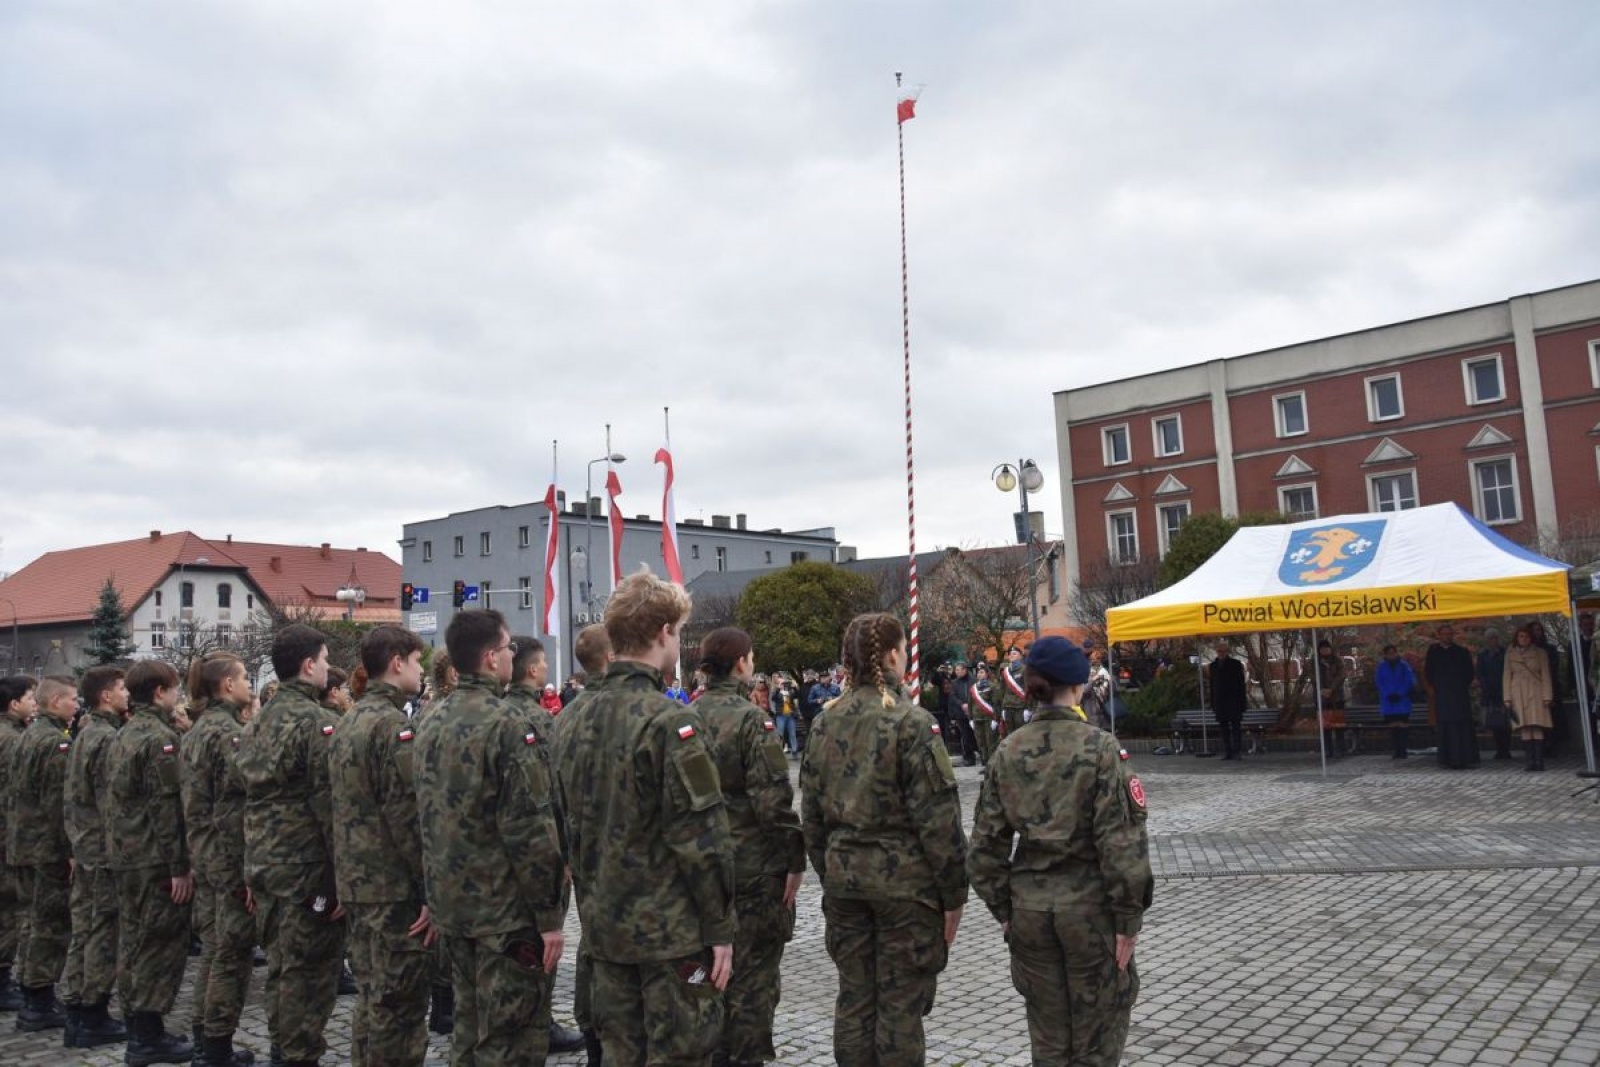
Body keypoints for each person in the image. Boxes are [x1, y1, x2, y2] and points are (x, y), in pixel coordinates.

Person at [554, 568, 736, 1066]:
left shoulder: (569, 719)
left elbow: (558, 823)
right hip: (669, 937)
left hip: (604, 930)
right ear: (663, 633)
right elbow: (702, 838)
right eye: (678, 632)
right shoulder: (670, 720)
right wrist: (720, 928)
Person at [967, 636, 1153, 1066]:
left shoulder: (1006, 751)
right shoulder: (1100, 748)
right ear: (1078, 685)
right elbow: (1121, 845)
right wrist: (1128, 919)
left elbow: (983, 852)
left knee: (1048, 1043)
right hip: (1090, 915)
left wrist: (1006, 909)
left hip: (1031, 915)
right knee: (1096, 1042)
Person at [800, 612, 968, 1066]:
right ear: (894, 655)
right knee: (899, 1009)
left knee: (854, 999)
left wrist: (834, 866)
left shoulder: (823, 723)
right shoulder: (912, 723)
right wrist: (954, 894)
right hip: (905, 892)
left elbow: (811, 819)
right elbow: (939, 824)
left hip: (844, 886)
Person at [415, 609, 567, 1066]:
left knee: (469, 1024)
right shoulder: (506, 725)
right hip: (504, 911)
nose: (510, 656)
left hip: (454, 905)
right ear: (489, 657)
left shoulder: (431, 721)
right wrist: (550, 915)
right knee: (512, 1034)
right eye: (507, 649)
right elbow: (529, 828)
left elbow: (424, 816)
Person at [692, 628, 806, 1067]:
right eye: (752, 657)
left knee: (709, 975)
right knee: (753, 980)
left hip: (701, 868)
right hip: (752, 872)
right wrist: (794, 861)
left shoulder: (686, 717)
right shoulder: (750, 721)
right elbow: (773, 803)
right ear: (741, 662)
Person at [236, 624, 347, 1067]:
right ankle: (298, 1056)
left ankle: (285, 1050)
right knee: (310, 973)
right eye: (323, 660)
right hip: (307, 866)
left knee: (283, 966)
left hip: (265, 861)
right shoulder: (318, 724)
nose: (326, 668)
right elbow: (329, 807)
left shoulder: (258, 719)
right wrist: (340, 877)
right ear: (307, 666)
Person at [328, 626, 433, 1067]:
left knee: (372, 999)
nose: (421, 668)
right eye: (416, 660)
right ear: (396, 663)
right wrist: (429, 888)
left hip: (358, 882)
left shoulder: (350, 718)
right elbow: (406, 816)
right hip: (392, 889)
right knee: (400, 1006)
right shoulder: (392, 726)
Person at [498, 636, 586, 1058]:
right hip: (536, 855)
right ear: (532, 670)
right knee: (535, 952)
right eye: (544, 665)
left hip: (485, 868)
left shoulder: (492, 714)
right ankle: (539, 1022)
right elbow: (555, 796)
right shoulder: (537, 722)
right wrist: (564, 856)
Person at [105, 660, 196, 1065]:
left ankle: (140, 1028)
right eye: (174, 688)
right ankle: (147, 1035)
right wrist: (179, 866)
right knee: (159, 945)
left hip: (127, 855)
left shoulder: (122, 733)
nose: (179, 696)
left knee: (134, 941)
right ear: (160, 691)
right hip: (153, 860)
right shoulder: (159, 738)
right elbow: (164, 808)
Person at [179, 653, 258, 1067]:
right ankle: (216, 1045)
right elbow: (235, 806)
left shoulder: (195, 730)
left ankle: (202, 1036)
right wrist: (248, 870)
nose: (249, 684)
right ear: (227, 684)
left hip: (204, 853)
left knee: (213, 948)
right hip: (227, 857)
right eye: (244, 677)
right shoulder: (228, 733)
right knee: (232, 952)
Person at [549, 622, 613, 1067]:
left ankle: (592, 1039)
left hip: (583, 857)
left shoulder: (565, 716)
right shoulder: (619, 710)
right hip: (619, 862)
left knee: (591, 947)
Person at [63, 666, 131, 1048]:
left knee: (86, 928)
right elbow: (111, 804)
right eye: (121, 688)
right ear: (106, 695)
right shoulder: (105, 738)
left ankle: (77, 1008)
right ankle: (92, 1013)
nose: (126, 694)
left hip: (86, 845)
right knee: (103, 932)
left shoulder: (87, 732)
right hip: (103, 850)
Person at [8, 675, 77, 1033]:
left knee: (33, 921)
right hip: (45, 848)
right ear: (56, 703)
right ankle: (39, 1000)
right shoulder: (53, 741)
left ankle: (35, 992)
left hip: (24, 843)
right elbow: (56, 802)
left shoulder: (28, 735)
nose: (77, 705)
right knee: (49, 924)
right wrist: (69, 849)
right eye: (72, 700)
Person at [0, 674, 38, 1014]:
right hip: (7, 836)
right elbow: (17, 794)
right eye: (30, 697)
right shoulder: (12, 740)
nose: (34, 703)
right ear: (14, 704)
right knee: (9, 910)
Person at [1425, 623, 1480, 770]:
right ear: (1439, 635)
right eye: (1444, 634)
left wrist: (1459, 685)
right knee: (1445, 727)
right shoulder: (1434, 652)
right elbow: (1428, 672)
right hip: (1442, 695)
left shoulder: (1461, 652)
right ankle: (1447, 758)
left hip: (1459, 694)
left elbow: (1469, 673)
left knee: (1461, 726)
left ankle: (1464, 758)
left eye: (1449, 634)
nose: (1447, 637)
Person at [1504, 626, 1555, 773]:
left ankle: (1539, 761)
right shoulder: (1510, 653)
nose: (1523, 639)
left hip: (1536, 691)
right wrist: (1507, 697)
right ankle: (1529, 761)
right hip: (1517, 692)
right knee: (1524, 727)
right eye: (1521, 636)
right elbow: (1506, 675)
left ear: (1531, 638)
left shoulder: (1540, 653)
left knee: (1537, 725)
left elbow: (1546, 675)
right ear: (1516, 638)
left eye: (1526, 636)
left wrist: (1547, 696)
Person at [1527, 620, 1564, 754]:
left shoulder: (1550, 649)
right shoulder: (1524, 651)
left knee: (1551, 718)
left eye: (1538, 630)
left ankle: (1551, 744)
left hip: (1549, 686)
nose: (1536, 633)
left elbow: (1553, 669)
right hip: (1531, 690)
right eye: (1534, 630)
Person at [1375, 645, 1417, 760]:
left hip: (1402, 700)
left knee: (1403, 725)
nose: (1392, 655)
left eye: (1393, 652)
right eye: (1389, 653)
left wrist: (1400, 693)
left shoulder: (1404, 666)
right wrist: (1388, 694)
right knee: (1392, 725)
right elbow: (1379, 683)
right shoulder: (1381, 667)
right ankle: (1396, 750)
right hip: (1388, 701)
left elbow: (1410, 681)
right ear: (1385, 654)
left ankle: (1403, 750)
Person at [1476, 629, 1512, 760]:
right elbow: (1479, 673)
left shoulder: (1505, 653)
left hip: (1504, 690)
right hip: (1490, 693)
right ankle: (1499, 749)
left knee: (1506, 723)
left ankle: (1506, 749)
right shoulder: (1482, 655)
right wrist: (1485, 686)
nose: (1493, 641)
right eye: (1490, 638)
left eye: (1495, 638)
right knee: (1495, 723)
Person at [1208, 643, 1248, 761]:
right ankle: (1227, 751)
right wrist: (1213, 702)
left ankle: (1237, 751)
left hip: (1234, 701)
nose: (1221, 653)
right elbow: (1212, 686)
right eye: (1219, 651)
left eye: (1223, 651)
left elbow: (1241, 684)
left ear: (1227, 652)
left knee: (1236, 728)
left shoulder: (1235, 664)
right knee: (1223, 729)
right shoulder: (1213, 666)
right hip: (1220, 703)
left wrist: (1242, 702)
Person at [1314, 641, 1347, 758]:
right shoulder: (1315, 662)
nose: (1324, 650)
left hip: (1337, 697)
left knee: (1338, 725)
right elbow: (1312, 676)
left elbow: (1341, 675)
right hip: (1321, 697)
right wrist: (1321, 689)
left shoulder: (1338, 661)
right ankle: (1328, 750)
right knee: (1324, 726)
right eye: (1322, 648)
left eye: (1327, 648)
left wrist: (1331, 689)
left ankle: (1341, 749)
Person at [947, 664, 979, 767]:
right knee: (965, 736)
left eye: (958, 670)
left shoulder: (973, 681)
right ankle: (968, 757)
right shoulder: (954, 683)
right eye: (956, 670)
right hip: (960, 713)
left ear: (964, 670)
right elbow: (952, 697)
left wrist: (969, 705)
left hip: (974, 712)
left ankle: (983, 755)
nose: (956, 672)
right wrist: (961, 705)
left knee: (977, 734)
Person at [970, 663, 1001, 765]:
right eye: (978, 673)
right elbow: (970, 703)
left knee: (990, 742)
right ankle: (985, 763)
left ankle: (992, 764)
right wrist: (970, 719)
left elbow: (996, 703)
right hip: (977, 718)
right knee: (981, 742)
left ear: (987, 674)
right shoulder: (973, 688)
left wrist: (996, 719)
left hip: (989, 718)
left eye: (982, 672)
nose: (979, 674)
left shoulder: (993, 686)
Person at [998, 646, 1028, 735]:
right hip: (1008, 707)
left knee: (1022, 734)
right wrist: (1003, 708)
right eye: (1010, 654)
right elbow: (1002, 690)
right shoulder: (1005, 671)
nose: (1011, 655)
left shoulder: (1025, 669)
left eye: (1014, 653)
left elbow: (1028, 689)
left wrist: (1028, 709)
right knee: (1010, 734)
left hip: (1020, 707)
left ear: (1020, 656)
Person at [770, 674, 800, 757]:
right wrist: (778, 688)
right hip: (781, 715)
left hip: (790, 715)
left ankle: (794, 751)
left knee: (792, 733)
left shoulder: (790, 691)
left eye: (784, 683)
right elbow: (773, 698)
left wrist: (794, 687)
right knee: (780, 734)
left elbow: (797, 695)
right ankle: (779, 750)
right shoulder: (777, 691)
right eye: (781, 683)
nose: (783, 684)